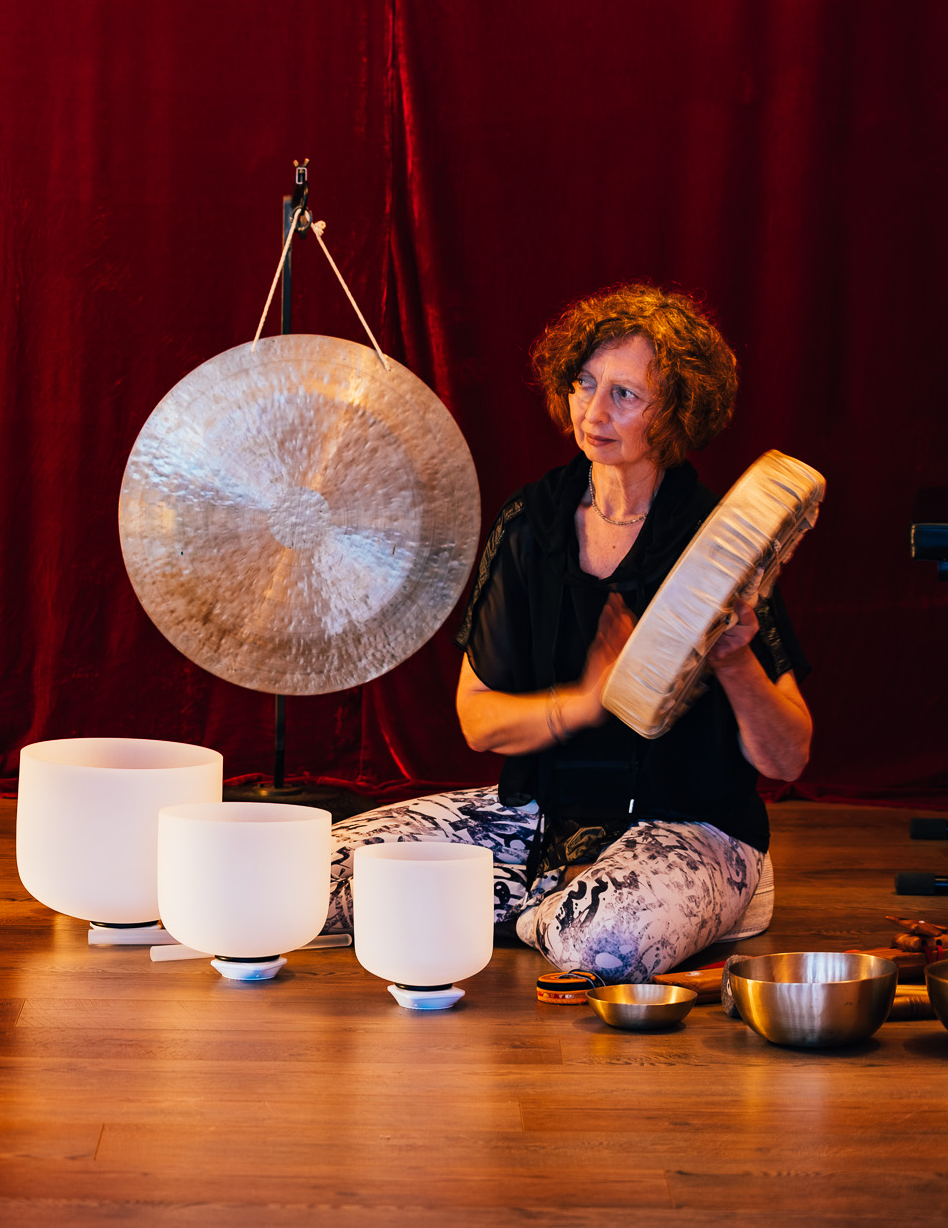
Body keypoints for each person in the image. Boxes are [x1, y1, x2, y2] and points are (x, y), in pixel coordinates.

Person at [322, 283, 813, 983]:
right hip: (540, 816)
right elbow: (478, 721)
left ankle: (553, 912)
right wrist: (586, 701)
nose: (593, 410)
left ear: (676, 409)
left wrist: (735, 660)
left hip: (688, 826)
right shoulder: (531, 523)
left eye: (625, 394)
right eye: (584, 383)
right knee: (321, 872)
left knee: (602, 940)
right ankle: (548, 906)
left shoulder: (717, 544)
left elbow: (789, 758)